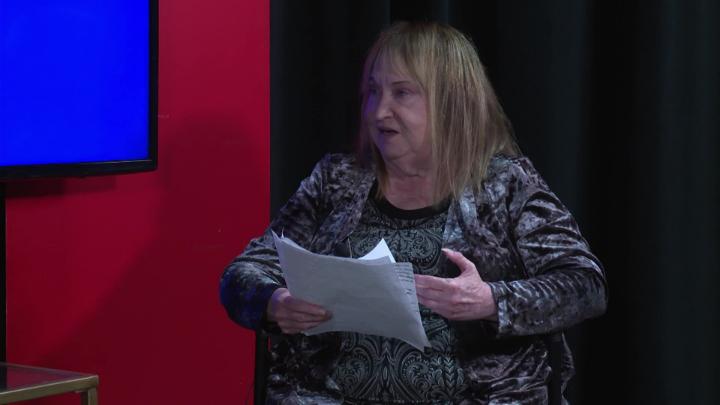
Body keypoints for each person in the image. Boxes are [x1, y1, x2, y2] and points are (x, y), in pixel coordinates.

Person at [220, 21, 607, 405]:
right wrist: (275, 302)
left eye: (402, 93)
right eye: (373, 91)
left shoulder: (507, 185)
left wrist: (490, 300)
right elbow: (244, 273)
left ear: (451, 101)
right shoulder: (336, 180)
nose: (379, 112)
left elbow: (584, 285)